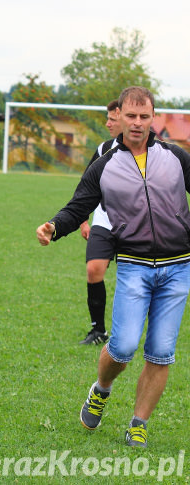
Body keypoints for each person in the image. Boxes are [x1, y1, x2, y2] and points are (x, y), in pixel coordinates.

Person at [36, 86, 190, 448]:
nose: (137, 123)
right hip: (135, 267)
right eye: (130, 116)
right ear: (118, 116)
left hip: (179, 267)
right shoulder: (105, 165)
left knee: (161, 351)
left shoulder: (176, 157)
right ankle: (101, 389)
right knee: (121, 347)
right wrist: (55, 227)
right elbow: (78, 206)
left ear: (153, 118)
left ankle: (139, 423)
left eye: (144, 116)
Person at [78, 100, 121, 345]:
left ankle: (129, 330)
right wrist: (84, 220)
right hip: (103, 220)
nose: (107, 123)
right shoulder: (104, 148)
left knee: (136, 277)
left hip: (136, 225)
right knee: (94, 269)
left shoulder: (153, 150)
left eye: (111, 119)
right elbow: (87, 187)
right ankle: (98, 330)